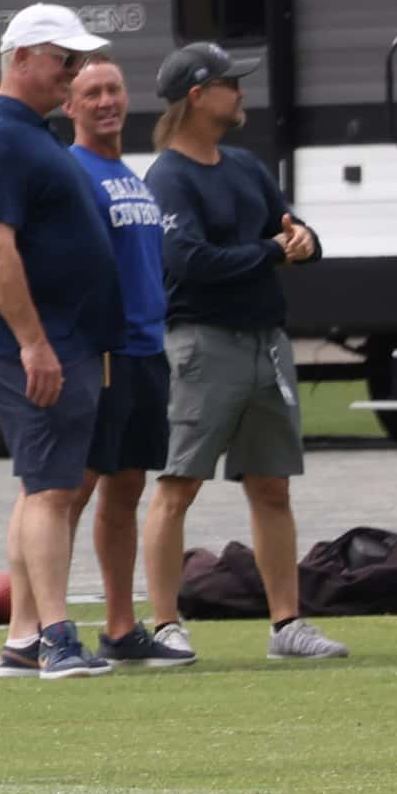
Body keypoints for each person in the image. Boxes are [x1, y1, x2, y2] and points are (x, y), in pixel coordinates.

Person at [133, 43, 346, 662]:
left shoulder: (247, 166)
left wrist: (301, 241)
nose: (242, 92)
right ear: (197, 96)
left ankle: (288, 627)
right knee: (179, 483)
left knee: (271, 487)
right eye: (231, 83)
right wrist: (277, 251)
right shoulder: (167, 176)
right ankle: (167, 624)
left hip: (266, 343)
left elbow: (297, 234)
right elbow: (188, 262)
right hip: (201, 345)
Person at [0, 4, 127, 680]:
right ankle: (57, 637)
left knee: (39, 487)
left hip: (65, 337)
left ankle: (25, 638)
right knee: (53, 490)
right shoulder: (0, 139)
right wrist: (33, 342)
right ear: (23, 58)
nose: (74, 75)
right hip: (36, 342)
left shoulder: (27, 134)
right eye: (65, 61)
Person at [68, 57, 191, 666]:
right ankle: (48, 627)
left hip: (146, 349)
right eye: (91, 93)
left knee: (128, 486)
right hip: (104, 351)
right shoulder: (74, 171)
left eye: (113, 88)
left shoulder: (131, 176)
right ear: (70, 106)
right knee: (75, 489)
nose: (106, 101)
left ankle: (120, 629)